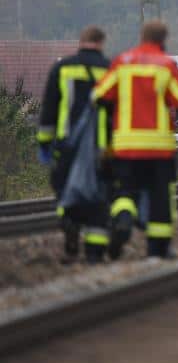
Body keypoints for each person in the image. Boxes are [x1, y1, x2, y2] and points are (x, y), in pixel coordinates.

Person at [91, 20, 178, 260]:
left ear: (141, 36)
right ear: (164, 39)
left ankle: (123, 219)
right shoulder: (167, 66)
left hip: (126, 147)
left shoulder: (122, 62)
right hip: (159, 149)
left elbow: (98, 95)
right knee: (161, 197)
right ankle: (157, 249)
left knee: (125, 192)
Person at [37, 26, 112, 264]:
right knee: (99, 197)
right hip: (102, 148)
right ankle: (94, 252)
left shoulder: (62, 68)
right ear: (102, 42)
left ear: (81, 41)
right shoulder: (110, 70)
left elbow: (49, 109)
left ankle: (70, 227)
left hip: (66, 145)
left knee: (66, 189)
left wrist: (45, 144)